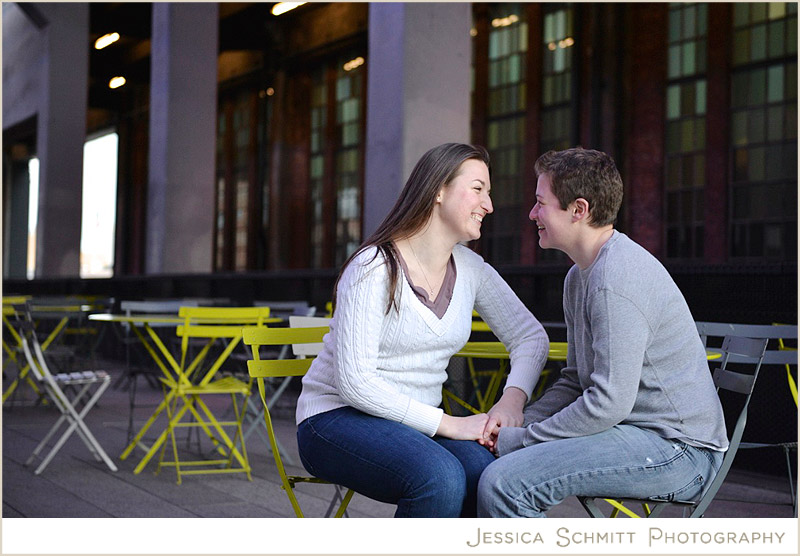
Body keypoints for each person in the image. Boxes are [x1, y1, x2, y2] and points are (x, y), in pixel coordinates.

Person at [295, 143, 549, 517]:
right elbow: (355, 383)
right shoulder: (373, 267)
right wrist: (449, 424)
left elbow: (530, 336)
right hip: (334, 420)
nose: (489, 205)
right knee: (439, 476)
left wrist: (512, 399)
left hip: (412, 425)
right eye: (478, 189)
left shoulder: (471, 269)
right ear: (438, 190)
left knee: (487, 472)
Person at [477, 147, 728, 518]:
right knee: (486, 465)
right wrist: (517, 423)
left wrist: (521, 439)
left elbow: (608, 402)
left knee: (505, 483)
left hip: (680, 451)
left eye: (541, 203)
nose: (532, 214)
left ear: (578, 210)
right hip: (634, 432)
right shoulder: (578, 277)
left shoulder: (616, 279)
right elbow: (575, 381)